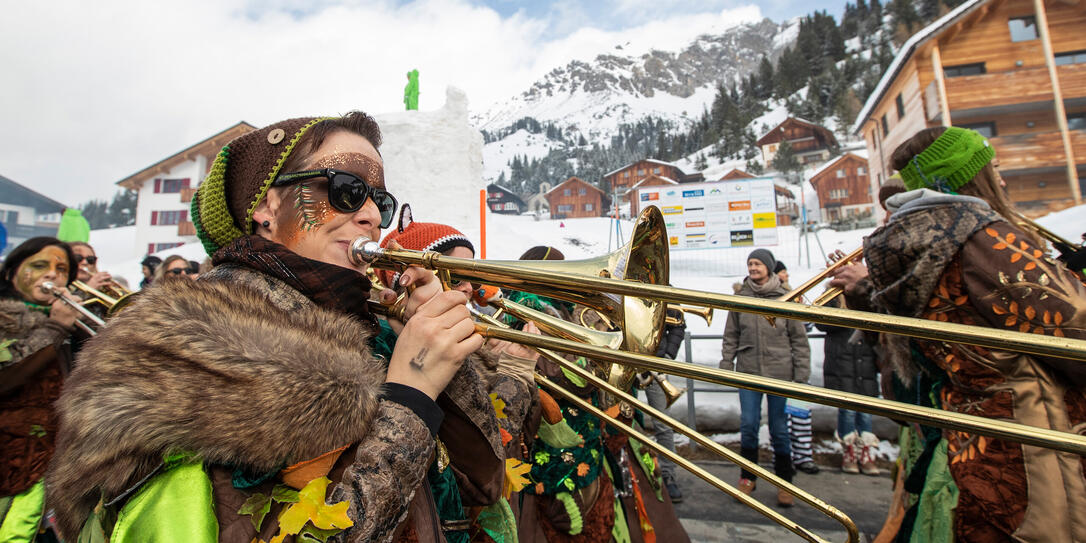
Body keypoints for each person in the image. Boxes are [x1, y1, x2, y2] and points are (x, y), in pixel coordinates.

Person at [46, 113, 502, 542]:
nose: (373, 217)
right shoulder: (188, 337)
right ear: (267, 205)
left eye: (379, 200)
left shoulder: (373, 326)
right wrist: (411, 394)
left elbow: (483, 484)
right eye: (346, 189)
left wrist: (434, 344)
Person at [830, 126, 1086, 542]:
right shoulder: (982, 239)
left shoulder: (920, 241)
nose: (1001, 180)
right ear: (972, 177)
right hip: (1037, 435)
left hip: (973, 429)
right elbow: (1076, 326)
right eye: (993, 169)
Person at [376, 206, 538, 543]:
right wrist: (515, 374)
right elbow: (488, 455)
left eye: (471, 278)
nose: (468, 289)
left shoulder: (474, 333)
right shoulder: (407, 344)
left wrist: (492, 358)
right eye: (457, 274)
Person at [0, 237, 80, 538]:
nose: (52, 275)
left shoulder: (72, 319)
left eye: (61, 270)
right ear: (11, 273)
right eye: (39, 266)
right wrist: (56, 329)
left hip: (51, 462)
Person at [720, 249, 810, 507]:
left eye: (757, 263)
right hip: (748, 370)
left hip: (780, 373)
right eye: (750, 263)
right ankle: (747, 478)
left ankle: (784, 482)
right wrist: (726, 362)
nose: (752, 267)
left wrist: (801, 373)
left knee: (779, 430)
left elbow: (799, 340)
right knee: (748, 426)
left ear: (769, 267)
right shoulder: (741, 298)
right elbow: (731, 335)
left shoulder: (785, 298)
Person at [814, 295, 879, 476]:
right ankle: (849, 453)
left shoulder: (867, 293)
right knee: (848, 411)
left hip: (865, 362)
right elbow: (820, 323)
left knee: (866, 410)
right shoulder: (832, 297)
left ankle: (865, 452)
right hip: (842, 363)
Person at [774, 260, 818, 476]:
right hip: (781, 368)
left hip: (799, 368)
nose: (786, 275)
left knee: (801, 414)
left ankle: (803, 456)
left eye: (785, 271)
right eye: (782, 272)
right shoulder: (774, 298)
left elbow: (809, 325)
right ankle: (786, 457)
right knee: (782, 420)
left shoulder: (795, 295)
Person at [643, 306, 686, 502]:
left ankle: (668, 476)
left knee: (662, 423)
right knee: (619, 416)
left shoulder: (663, 284)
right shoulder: (619, 281)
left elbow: (678, 325)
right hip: (623, 360)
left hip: (655, 364)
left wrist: (667, 356)